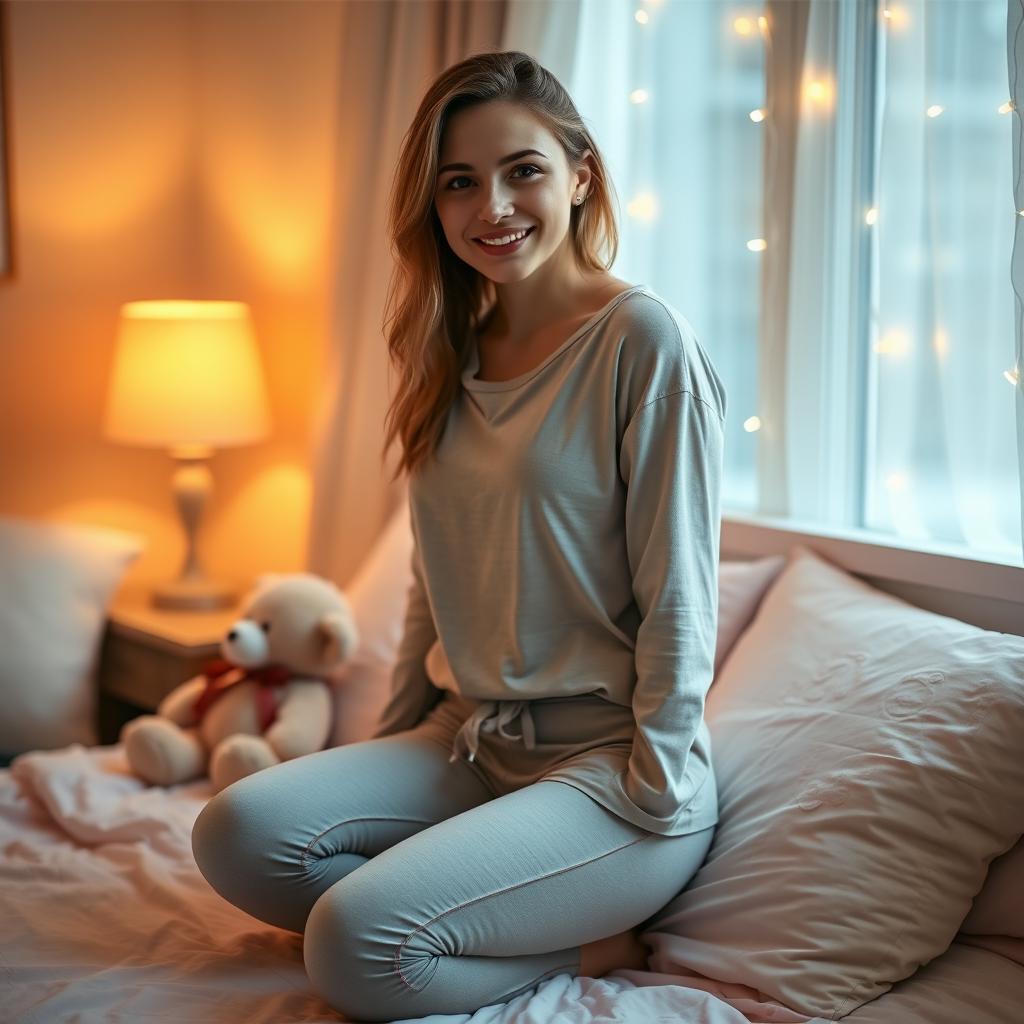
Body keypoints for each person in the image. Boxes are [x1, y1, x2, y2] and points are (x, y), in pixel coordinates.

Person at [191, 50, 727, 1022]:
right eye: (459, 182)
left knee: (353, 942)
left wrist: (655, 783)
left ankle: (590, 941)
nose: (493, 206)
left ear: (579, 174)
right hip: (467, 742)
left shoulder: (641, 340)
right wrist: (394, 743)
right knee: (231, 832)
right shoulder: (447, 349)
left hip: (610, 766)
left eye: (522, 169)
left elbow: (680, 591)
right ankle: (458, 899)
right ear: (433, 207)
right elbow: (432, 584)